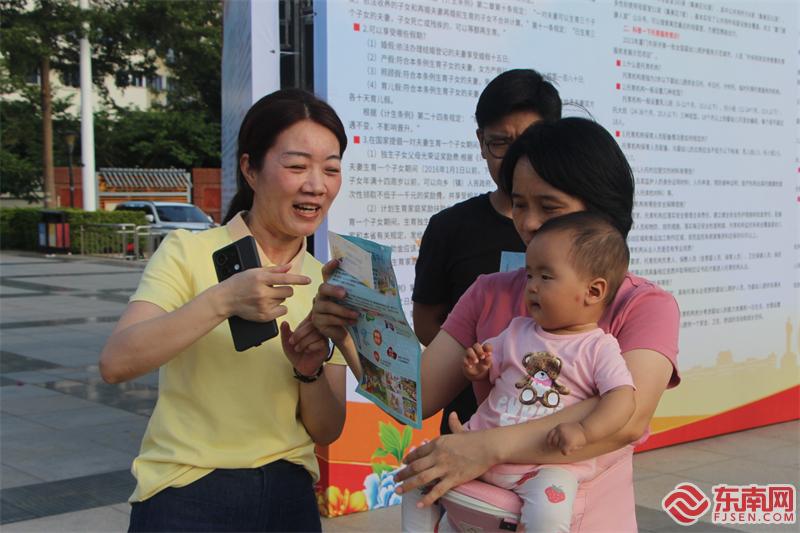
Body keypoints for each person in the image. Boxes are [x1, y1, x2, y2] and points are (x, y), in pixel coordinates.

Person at [312, 117, 680, 532]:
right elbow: (415, 396)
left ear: (601, 210)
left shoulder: (645, 305)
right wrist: (350, 334)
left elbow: (627, 419)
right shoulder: (489, 291)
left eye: (549, 207)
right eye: (519, 203)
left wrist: (485, 447)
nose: (528, 222)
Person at [99, 88, 350, 532]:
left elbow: (327, 430)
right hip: (185, 494)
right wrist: (224, 300)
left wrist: (309, 372)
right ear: (250, 169)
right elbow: (116, 362)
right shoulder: (187, 252)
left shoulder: (326, 282)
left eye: (331, 169)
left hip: (288, 498)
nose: (316, 185)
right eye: (297, 166)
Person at [452, 212, 635, 532]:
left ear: (593, 291)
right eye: (529, 275)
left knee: (550, 514)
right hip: (480, 448)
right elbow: (491, 369)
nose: (532, 287)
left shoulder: (598, 347)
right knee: (420, 475)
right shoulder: (516, 330)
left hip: (546, 464)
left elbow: (622, 399)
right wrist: (479, 369)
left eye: (545, 277)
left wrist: (585, 431)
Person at [412, 69, 562, 435]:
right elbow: (427, 322)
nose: (514, 158)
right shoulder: (450, 227)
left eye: (529, 141)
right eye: (500, 143)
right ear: (481, 142)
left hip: (553, 424)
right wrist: (482, 357)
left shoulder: (576, 234)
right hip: (467, 419)